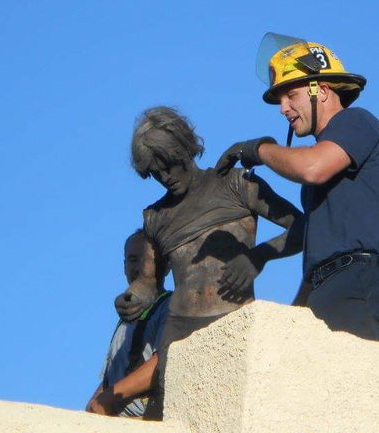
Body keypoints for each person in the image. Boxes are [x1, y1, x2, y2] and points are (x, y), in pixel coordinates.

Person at [216, 33, 379, 343]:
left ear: (323, 90)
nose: (283, 108)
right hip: (329, 285)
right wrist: (293, 320)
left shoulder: (356, 121)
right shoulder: (328, 166)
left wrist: (259, 149)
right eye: (280, 100)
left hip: (359, 284)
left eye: (291, 95)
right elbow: (318, 252)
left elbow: (312, 168)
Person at [117, 106, 303, 419]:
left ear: (184, 148)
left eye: (169, 166)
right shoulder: (155, 217)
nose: (165, 178)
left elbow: (302, 227)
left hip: (233, 323)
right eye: (155, 173)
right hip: (178, 333)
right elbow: (149, 283)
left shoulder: (235, 184)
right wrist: (132, 298)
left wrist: (257, 257)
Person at [86, 230, 171, 418]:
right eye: (132, 260)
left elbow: (163, 363)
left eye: (146, 260)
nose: (138, 267)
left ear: (166, 266)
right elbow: (111, 377)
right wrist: (94, 404)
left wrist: (107, 398)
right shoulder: (125, 319)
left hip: (145, 418)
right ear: (124, 266)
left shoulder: (169, 306)